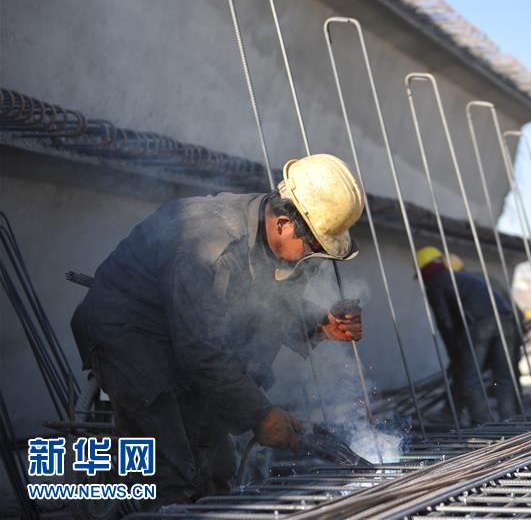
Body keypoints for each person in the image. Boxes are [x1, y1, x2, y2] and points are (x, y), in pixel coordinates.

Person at [70, 154, 365, 508]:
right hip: (129, 331)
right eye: (314, 247)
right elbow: (199, 349)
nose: (313, 258)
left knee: (216, 468)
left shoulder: (266, 235)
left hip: (183, 335)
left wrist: (320, 325)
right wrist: (261, 415)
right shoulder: (211, 245)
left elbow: (265, 301)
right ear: (285, 224)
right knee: (171, 474)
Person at [417, 247, 520, 425]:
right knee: (503, 376)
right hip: (506, 320)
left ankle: (483, 423)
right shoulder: (463, 278)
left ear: (423, 270)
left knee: (470, 378)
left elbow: (445, 322)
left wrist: (455, 354)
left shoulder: (435, 283)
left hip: (481, 324)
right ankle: (509, 421)